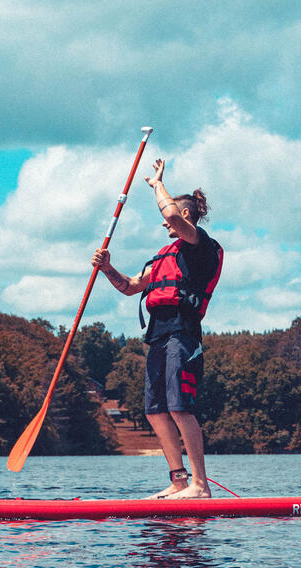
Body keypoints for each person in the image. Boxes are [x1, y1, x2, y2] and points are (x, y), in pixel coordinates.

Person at [92, 158, 223, 498]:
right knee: (155, 411)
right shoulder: (162, 256)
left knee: (180, 407)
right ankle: (178, 481)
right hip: (158, 337)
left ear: (185, 217)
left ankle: (200, 485)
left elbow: (169, 214)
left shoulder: (201, 246)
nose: (165, 224)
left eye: (172, 218)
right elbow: (132, 286)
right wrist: (107, 268)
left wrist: (156, 185)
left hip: (184, 335)